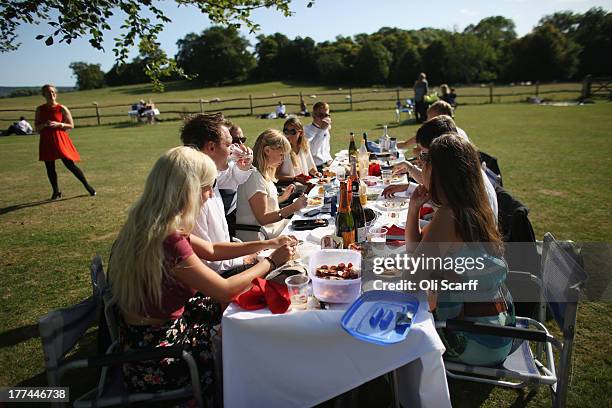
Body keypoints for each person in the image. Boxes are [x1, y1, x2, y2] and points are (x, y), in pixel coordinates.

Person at [108, 146, 297, 395]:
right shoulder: (168, 239)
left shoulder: (150, 221)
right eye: (206, 187)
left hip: (137, 338)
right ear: (185, 190)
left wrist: (268, 243)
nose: (209, 195)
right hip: (160, 354)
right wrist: (271, 262)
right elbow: (224, 291)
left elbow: (211, 248)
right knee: (250, 330)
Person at [404, 134, 515, 366]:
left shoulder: (449, 216)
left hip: (473, 337)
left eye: (424, 162)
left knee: (400, 327)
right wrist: (414, 209)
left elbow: (412, 279)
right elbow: (416, 250)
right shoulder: (472, 205)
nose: (420, 168)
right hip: (496, 328)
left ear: (439, 173)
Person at [181, 113, 276, 276]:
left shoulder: (206, 175)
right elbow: (210, 260)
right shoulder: (195, 191)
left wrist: (243, 165)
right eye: (229, 144)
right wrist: (249, 259)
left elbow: (231, 179)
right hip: (219, 275)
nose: (233, 150)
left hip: (225, 264)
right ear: (211, 147)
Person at [385, 115, 498, 220]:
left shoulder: (464, 185)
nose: (421, 159)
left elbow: (441, 206)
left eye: (425, 154)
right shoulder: (462, 170)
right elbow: (436, 191)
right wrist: (409, 185)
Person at [236, 129, 308, 241]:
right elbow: (263, 218)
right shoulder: (253, 176)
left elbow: (263, 204)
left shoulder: (262, 173)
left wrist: (282, 198)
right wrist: (294, 207)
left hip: (270, 230)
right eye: (281, 154)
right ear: (267, 150)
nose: (283, 159)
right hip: (258, 238)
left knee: (306, 228)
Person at [35, 84, 95, 199]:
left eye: (53, 92)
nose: (51, 94)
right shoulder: (40, 109)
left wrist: (59, 124)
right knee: (50, 167)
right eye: (48, 92)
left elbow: (71, 125)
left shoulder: (62, 108)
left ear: (56, 94)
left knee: (70, 164)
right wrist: (44, 125)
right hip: (46, 140)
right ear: (44, 95)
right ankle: (56, 191)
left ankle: (88, 186)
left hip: (60, 138)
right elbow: (36, 128)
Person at [396, 100, 469, 149]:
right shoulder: (459, 131)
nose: (427, 121)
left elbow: (406, 144)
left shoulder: (444, 136)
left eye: (431, 119)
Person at [276, 117, 321, 184]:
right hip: (287, 187)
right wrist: (295, 179)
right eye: (286, 131)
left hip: (304, 185)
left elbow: (311, 168)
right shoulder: (282, 149)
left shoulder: (304, 146)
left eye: (292, 132)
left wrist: (316, 173)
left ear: (301, 133)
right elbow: (275, 176)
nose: (288, 134)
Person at [303, 102, 333, 172]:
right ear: (313, 115)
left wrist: (330, 160)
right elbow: (312, 151)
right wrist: (322, 130)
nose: (324, 118)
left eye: (326, 115)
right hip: (314, 169)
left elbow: (326, 150)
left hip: (327, 166)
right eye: (321, 115)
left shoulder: (325, 129)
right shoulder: (305, 130)